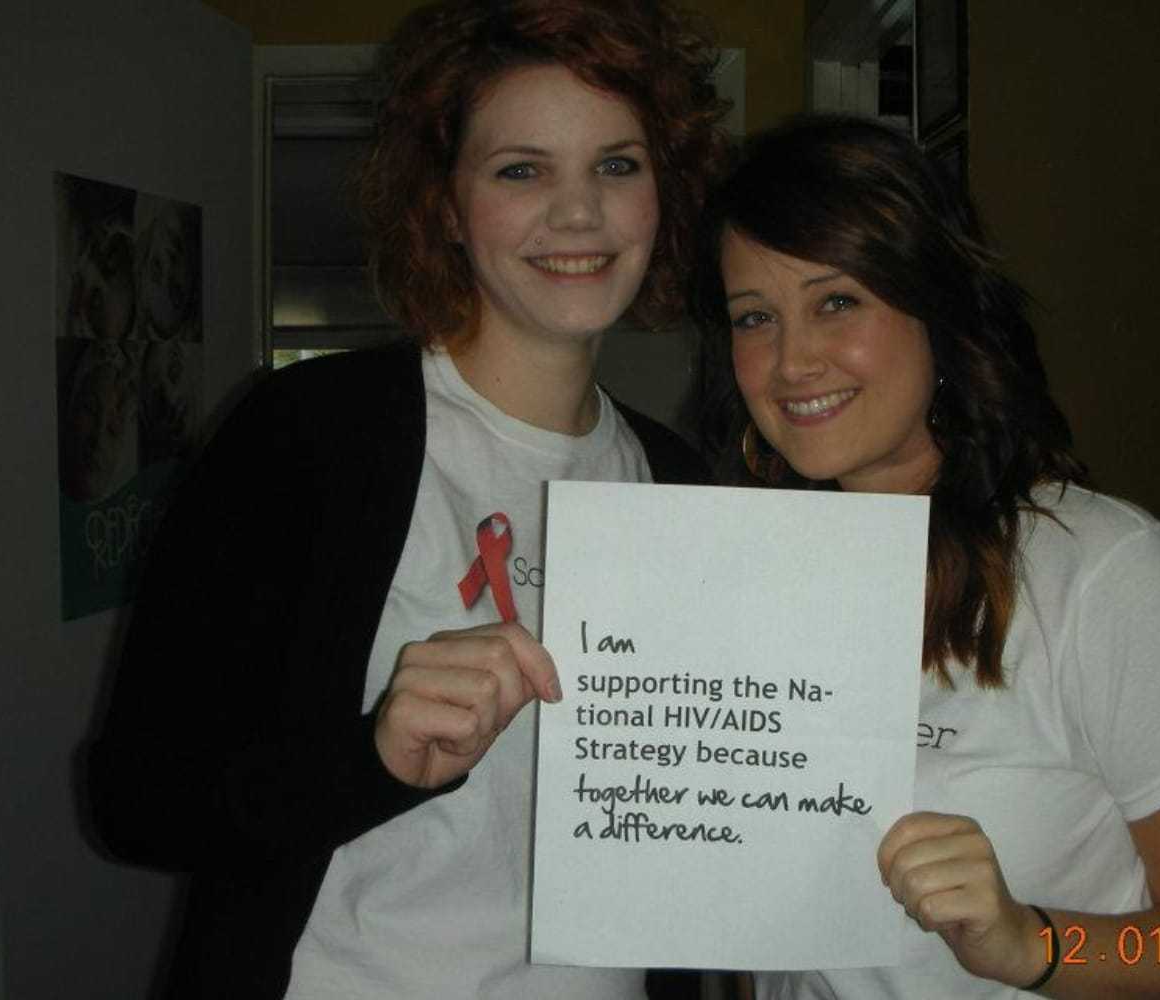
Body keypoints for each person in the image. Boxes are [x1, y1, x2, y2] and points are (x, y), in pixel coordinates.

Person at [85, 2, 729, 997]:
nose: (578, 213)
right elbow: (135, 798)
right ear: (447, 207)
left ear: (666, 195)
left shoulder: (686, 484)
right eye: (522, 169)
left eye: (618, 164)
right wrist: (374, 757)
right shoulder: (308, 436)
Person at [690, 115, 1160, 999]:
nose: (791, 362)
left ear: (935, 309)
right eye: (755, 318)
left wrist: (1029, 943)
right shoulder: (745, 577)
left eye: (838, 301)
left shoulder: (1100, 572)